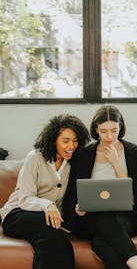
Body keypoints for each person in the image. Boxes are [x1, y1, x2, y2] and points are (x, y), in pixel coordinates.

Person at [62, 104, 137, 269]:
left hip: (124, 216)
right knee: (103, 221)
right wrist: (80, 207)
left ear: (120, 128)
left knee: (100, 241)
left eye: (114, 130)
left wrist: (115, 162)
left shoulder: (133, 152)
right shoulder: (85, 154)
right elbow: (75, 194)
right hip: (90, 217)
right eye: (103, 131)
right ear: (96, 129)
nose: (109, 136)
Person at [0, 113, 90, 269]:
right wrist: (47, 205)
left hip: (50, 222)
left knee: (51, 239)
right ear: (54, 140)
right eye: (66, 141)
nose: (71, 146)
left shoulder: (74, 162)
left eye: (75, 141)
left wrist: (80, 207)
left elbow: (76, 195)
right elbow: (25, 198)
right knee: (51, 227)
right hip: (17, 214)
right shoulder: (35, 158)